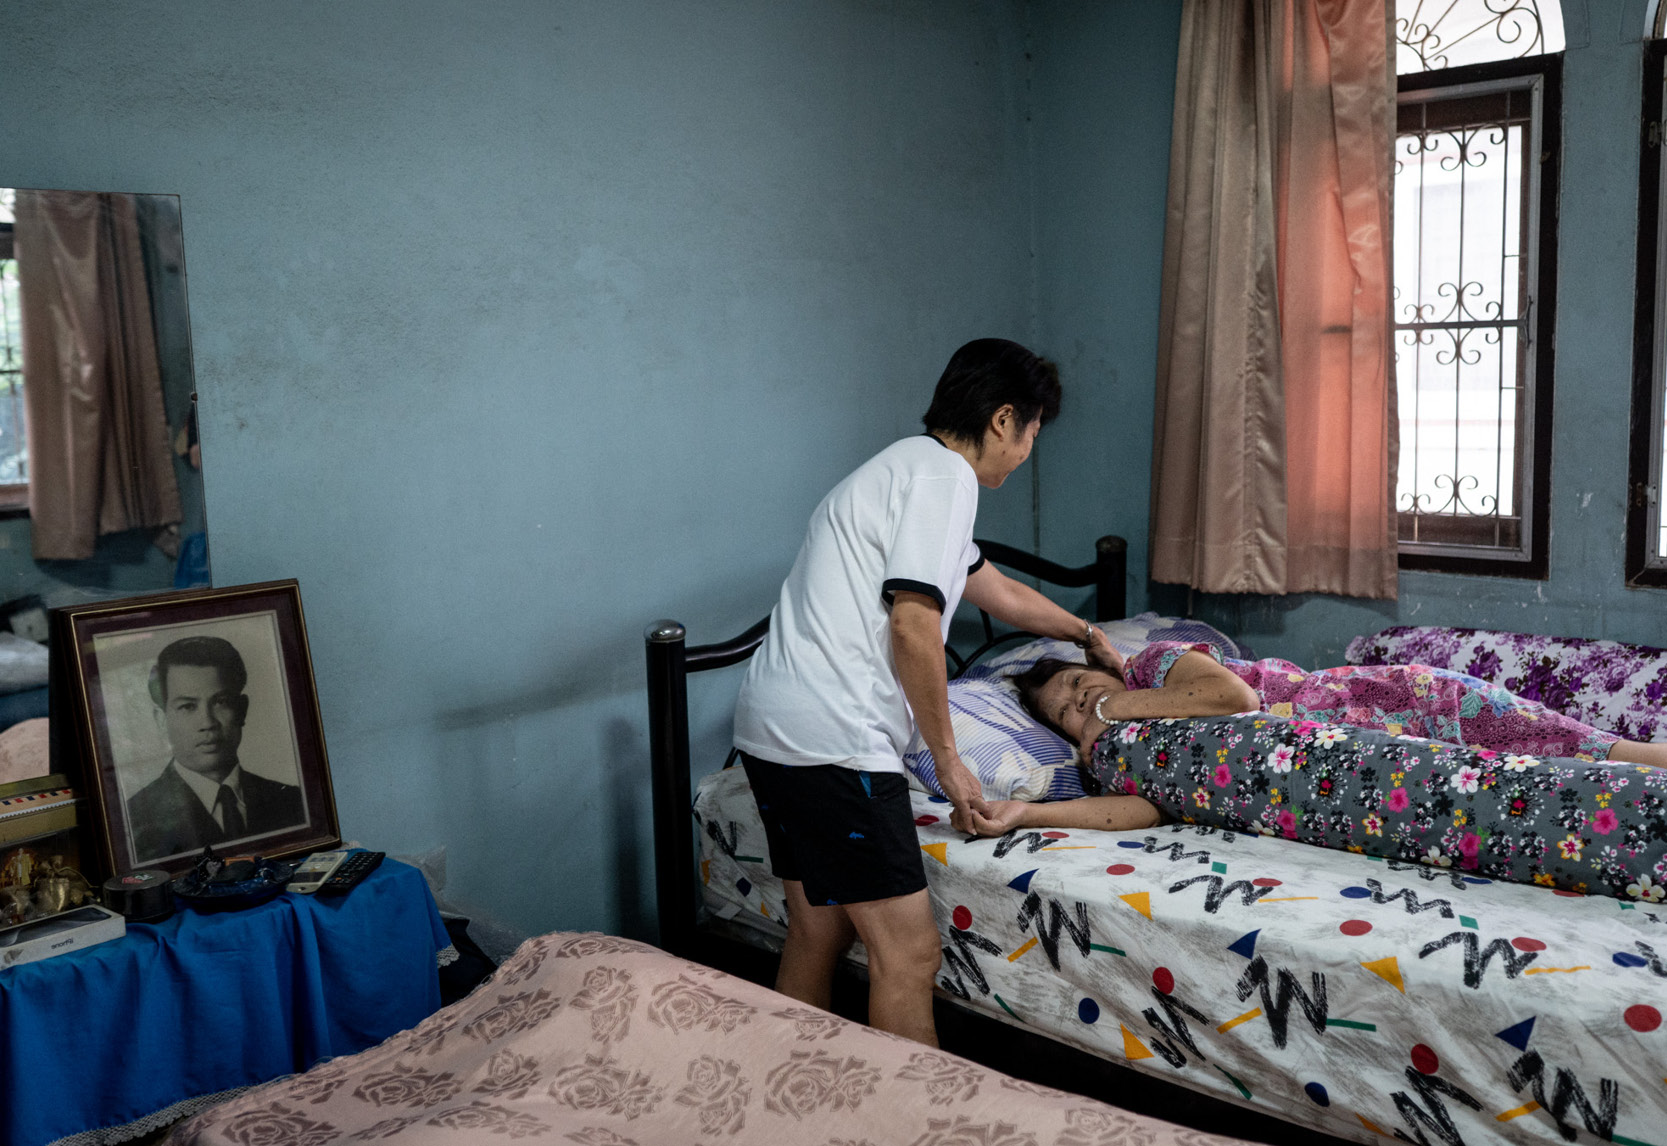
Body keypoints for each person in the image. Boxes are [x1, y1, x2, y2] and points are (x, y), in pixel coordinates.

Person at [732, 338, 1113, 1047]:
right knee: (908, 955)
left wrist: (1083, 632)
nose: (1026, 452)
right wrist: (947, 758)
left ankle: (788, 1086)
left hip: (773, 728)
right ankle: (910, 1107)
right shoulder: (944, 478)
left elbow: (992, 588)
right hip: (834, 741)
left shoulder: (904, 470)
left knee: (818, 932)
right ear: (1004, 419)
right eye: (1032, 434)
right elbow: (914, 623)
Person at [963, 640, 1667, 837]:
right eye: (1064, 712)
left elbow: (1233, 699)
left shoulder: (1152, 667)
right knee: (1550, 786)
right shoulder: (1117, 756)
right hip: (1374, 757)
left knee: (1594, 753)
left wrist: (1109, 704)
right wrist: (1028, 814)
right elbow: (1143, 810)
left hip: (1399, 704)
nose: (1079, 702)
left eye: (1076, 684)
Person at [126, 636, 305, 862]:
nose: (208, 722)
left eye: (221, 702)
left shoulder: (293, 801)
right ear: (162, 720)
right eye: (187, 706)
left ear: (242, 710)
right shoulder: (135, 820)